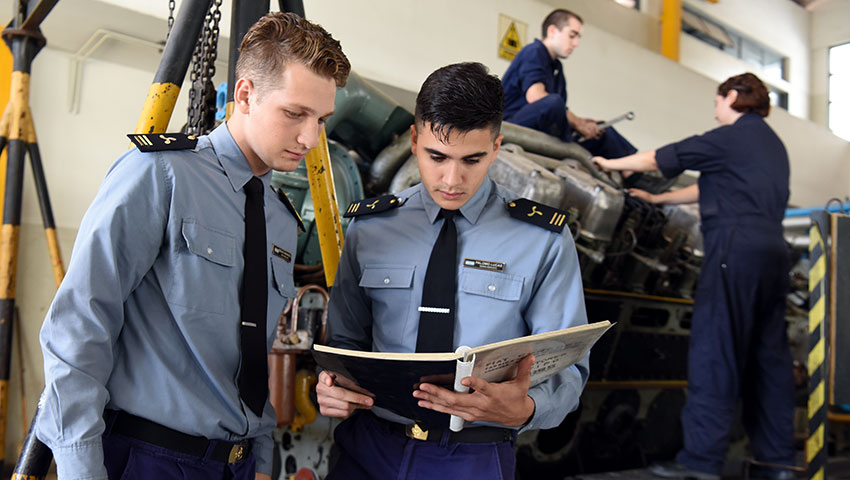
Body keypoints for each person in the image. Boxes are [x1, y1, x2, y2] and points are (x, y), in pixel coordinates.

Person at [35, 12, 350, 480]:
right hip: (148, 458)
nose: (311, 138)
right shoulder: (160, 175)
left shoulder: (281, 220)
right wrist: (80, 467)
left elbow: (253, 355)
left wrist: (260, 462)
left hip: (236, 465)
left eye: (321, 118)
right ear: (244, 94)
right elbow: (80, 324)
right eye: (295, 113)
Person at [316, 62, 589, 479]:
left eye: (473, 159)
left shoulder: (543, 240)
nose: (452, 178)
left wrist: (528, 408)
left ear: (496, 148)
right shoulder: (370, 227)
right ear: (413, 139)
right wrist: (330, 386)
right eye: (436, 156)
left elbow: (567, 366)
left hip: (472, 455)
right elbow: (344, 345)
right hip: (368, 449)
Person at [593, 72, 795, 480]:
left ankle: (700, 463)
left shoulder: (729, 137)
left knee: (715, 353)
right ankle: (777, 463)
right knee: (768, 360)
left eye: (718, 99)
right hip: (773, 255)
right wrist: (659, 199)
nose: (715, 108)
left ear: (734, 96)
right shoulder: (772, 146)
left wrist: (608, 162)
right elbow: (710, 189)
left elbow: (657, 158)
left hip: (734, 249)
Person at [501, 8, 637, 160]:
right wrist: (577, 123)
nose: (576, 43)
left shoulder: (557, 69)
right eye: (572, 36)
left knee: (602, 130)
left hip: (546, 127)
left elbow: (561, 111)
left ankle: (635, 173)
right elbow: (536, 97)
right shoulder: (534, 52)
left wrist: (585, 124)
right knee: (553, 102)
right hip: (515, 122)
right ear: (552, 31)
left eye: (578, 38)